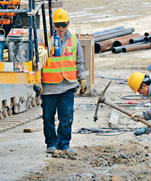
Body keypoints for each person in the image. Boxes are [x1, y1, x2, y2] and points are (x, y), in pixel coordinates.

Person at [39, 8, 86, 154]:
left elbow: (79, 61)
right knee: (48, 117)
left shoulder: (73, 38)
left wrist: (82, 78)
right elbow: (37, 62)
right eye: (57, 25)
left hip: (68, 84)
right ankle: (51, 144)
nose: (60, 28)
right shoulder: (44, 39)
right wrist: (36, 81)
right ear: (53, 25)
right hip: (49, 86)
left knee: (66, 117)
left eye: (63, 25)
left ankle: (64, 144)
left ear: (68, 24)